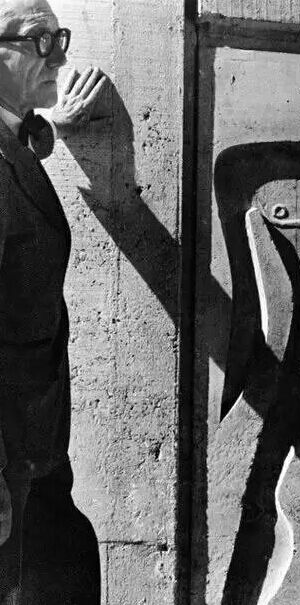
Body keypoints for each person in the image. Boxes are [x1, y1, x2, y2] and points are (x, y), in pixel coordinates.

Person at [0, 0, 106, 602]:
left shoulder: (15, 138)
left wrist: (47, 129)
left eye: (60, 38)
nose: (60, 58)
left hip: (37, 455)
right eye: (40, 41)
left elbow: (19, 152)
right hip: (10, 467)